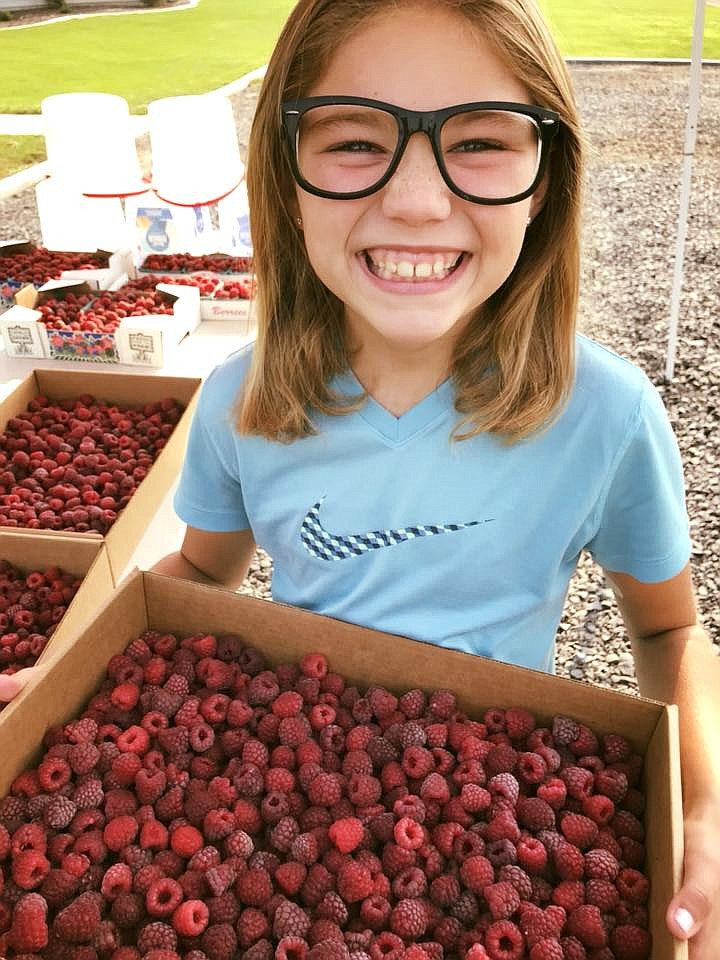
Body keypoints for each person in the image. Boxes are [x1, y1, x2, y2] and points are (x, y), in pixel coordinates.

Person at [3, 0, 718, 953]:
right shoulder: (239, 402)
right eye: (351, 140)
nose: (417, 200)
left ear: (548, 178)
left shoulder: (606, 416)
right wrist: (68, 671)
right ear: (282, 177)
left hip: (492, 774)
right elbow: (204, 575)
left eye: (479, 141)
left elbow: (669, 628)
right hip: (299, 758)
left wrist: (704, 808)